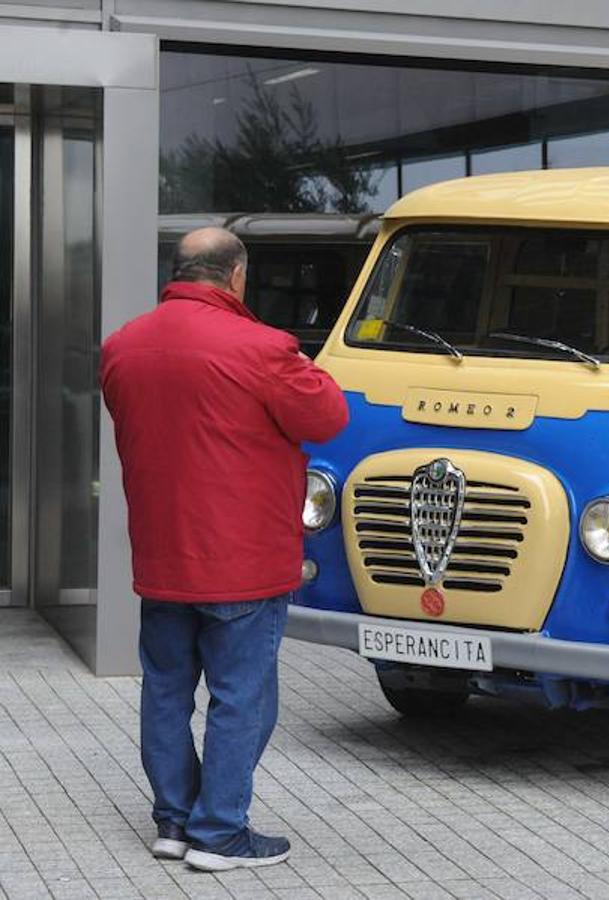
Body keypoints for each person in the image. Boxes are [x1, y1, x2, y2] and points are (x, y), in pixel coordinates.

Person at [100, 227, 349, 871]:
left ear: (177, 271)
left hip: (161, 559)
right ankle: (219, 834)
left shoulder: (122, 348)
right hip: (244, 562)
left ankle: (174, 823)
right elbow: (326, 417)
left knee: (164, 691)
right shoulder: (264, 349)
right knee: (243, 697)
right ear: (236, 275)